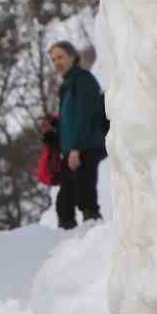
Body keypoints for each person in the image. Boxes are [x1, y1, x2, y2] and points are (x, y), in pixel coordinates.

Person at [48, 40, 107, 230]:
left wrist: (76, 148)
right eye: (54, 59)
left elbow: (85, 115)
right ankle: (71, 239)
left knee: (85, 195)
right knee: (64, 202)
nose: (57, 62)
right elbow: (69, 121)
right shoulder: (67, 84)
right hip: (73, 150)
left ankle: (94, 234)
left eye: (60, 57)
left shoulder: (83, 79)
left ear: (72, 57)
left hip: (86, 147)